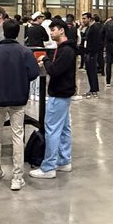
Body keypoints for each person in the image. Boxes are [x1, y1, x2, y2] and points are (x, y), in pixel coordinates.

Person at [0, 18, 40, 190]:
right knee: (17, 136)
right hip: (18, 100)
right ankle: (17, 177)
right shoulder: (25, 52)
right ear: (18, 33)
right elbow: (34, 73)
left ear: (3, 32)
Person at [31, 19, 76, 180]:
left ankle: (49, 167)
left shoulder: (66, 50)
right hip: (63, 93)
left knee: (52, 130)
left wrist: (45, 60)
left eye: (53, 30)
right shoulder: (63, 49)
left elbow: (55, 71)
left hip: (59, 94)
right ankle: (64, 160)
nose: (51, 33)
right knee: (63, 129)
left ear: (61, 30)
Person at [78, 12, 101, 98]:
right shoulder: (89, 28)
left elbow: (96, 42)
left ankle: (94, 90)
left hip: (91, 54)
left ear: (89, 19)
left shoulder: (95, 28)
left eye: (84, 18)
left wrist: (91, 53)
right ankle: (92, 89)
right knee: (89, 72)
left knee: (92, 72)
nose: (83, 20)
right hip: (88, 52)